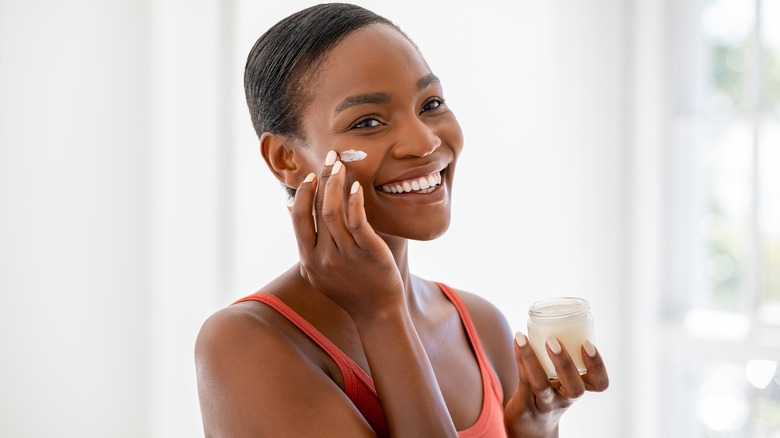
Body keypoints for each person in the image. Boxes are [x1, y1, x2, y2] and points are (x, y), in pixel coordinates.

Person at [195, 3, 609, 437]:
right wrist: (381, 314)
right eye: (369, 121)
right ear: (286, 159)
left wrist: (533, 422)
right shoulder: (245, 344)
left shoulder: (480, 325)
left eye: (430, 103)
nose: (425, 141)